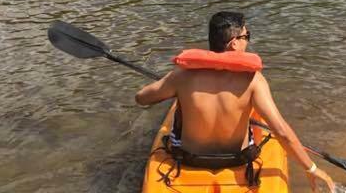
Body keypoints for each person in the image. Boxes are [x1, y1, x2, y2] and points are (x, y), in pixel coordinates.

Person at [135, 12, 335, 192]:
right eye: (246, 37)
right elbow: (281, 131)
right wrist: (312, 168)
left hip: (189, 158)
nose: (248, 41)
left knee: (181, 108)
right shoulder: (253, 80)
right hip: (237, 158)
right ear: (234, 43)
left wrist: (175, 88)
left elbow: (142, 98)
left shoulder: (182, 75)